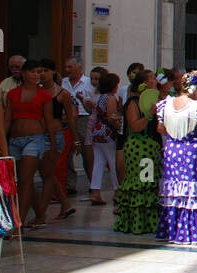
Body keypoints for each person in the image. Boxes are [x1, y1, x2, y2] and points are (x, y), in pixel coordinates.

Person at [156, 72, 197, 245]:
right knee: (191, 189)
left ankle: (173, 230)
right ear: (196, 89)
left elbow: (160, 128)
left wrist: (177, 130)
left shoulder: (166, 103)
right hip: (192, 150)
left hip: (172, 149)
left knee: (174, 188)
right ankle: (191, 232)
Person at [5, 59, 59, 229]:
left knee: (25, 179)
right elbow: (7, 120)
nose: (37, 75)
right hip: (14, 140)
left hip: (34, 139)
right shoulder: (12, 94)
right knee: (22, 181)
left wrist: (51, 145)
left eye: (39, 71)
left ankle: (18, 223)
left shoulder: (45, 95)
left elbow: (48, 121)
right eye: (33, 71)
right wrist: (1, 142)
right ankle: (39, 214)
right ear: (24, 73)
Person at [114, 70, 162, 235]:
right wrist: (150, 114)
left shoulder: (153, 101)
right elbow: (134, 126)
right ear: (144, 84)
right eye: (152, 79)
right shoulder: (133, 103)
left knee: (147, 181)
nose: (156, 81)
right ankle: (139, 222)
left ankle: (145, 221)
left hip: (149, 148)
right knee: (143, 181)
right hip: (138, 148)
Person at [35, 60, 76, 222]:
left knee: (47, 173)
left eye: (45, 70)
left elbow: (71, 117)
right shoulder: (37, 92)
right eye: (39, 71)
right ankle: (65, 203)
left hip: (56, 135)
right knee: (47, 173)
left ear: (53, 72)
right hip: (39, 135)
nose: (42, 74)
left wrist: (76, 139)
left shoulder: (62, 93)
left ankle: (41, 214)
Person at [85, 72, 122, 205]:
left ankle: (95, 192)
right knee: (113, 163)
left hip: (97, 131)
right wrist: (118, 126)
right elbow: (110, 116)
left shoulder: (100, 97)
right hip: (107, 132)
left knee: (98, 163)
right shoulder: (110, 97)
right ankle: (117, 191)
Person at [62, 58, 94, 194]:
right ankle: (70, 184)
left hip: (84, 118)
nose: (67, 70)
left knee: (87, 153)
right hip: (67, 119)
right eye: (66, 67)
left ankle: (93, 183)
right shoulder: (63, 82)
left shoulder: (88, 82)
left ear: (79, 68)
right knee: (66, 152)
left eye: (70, 67)